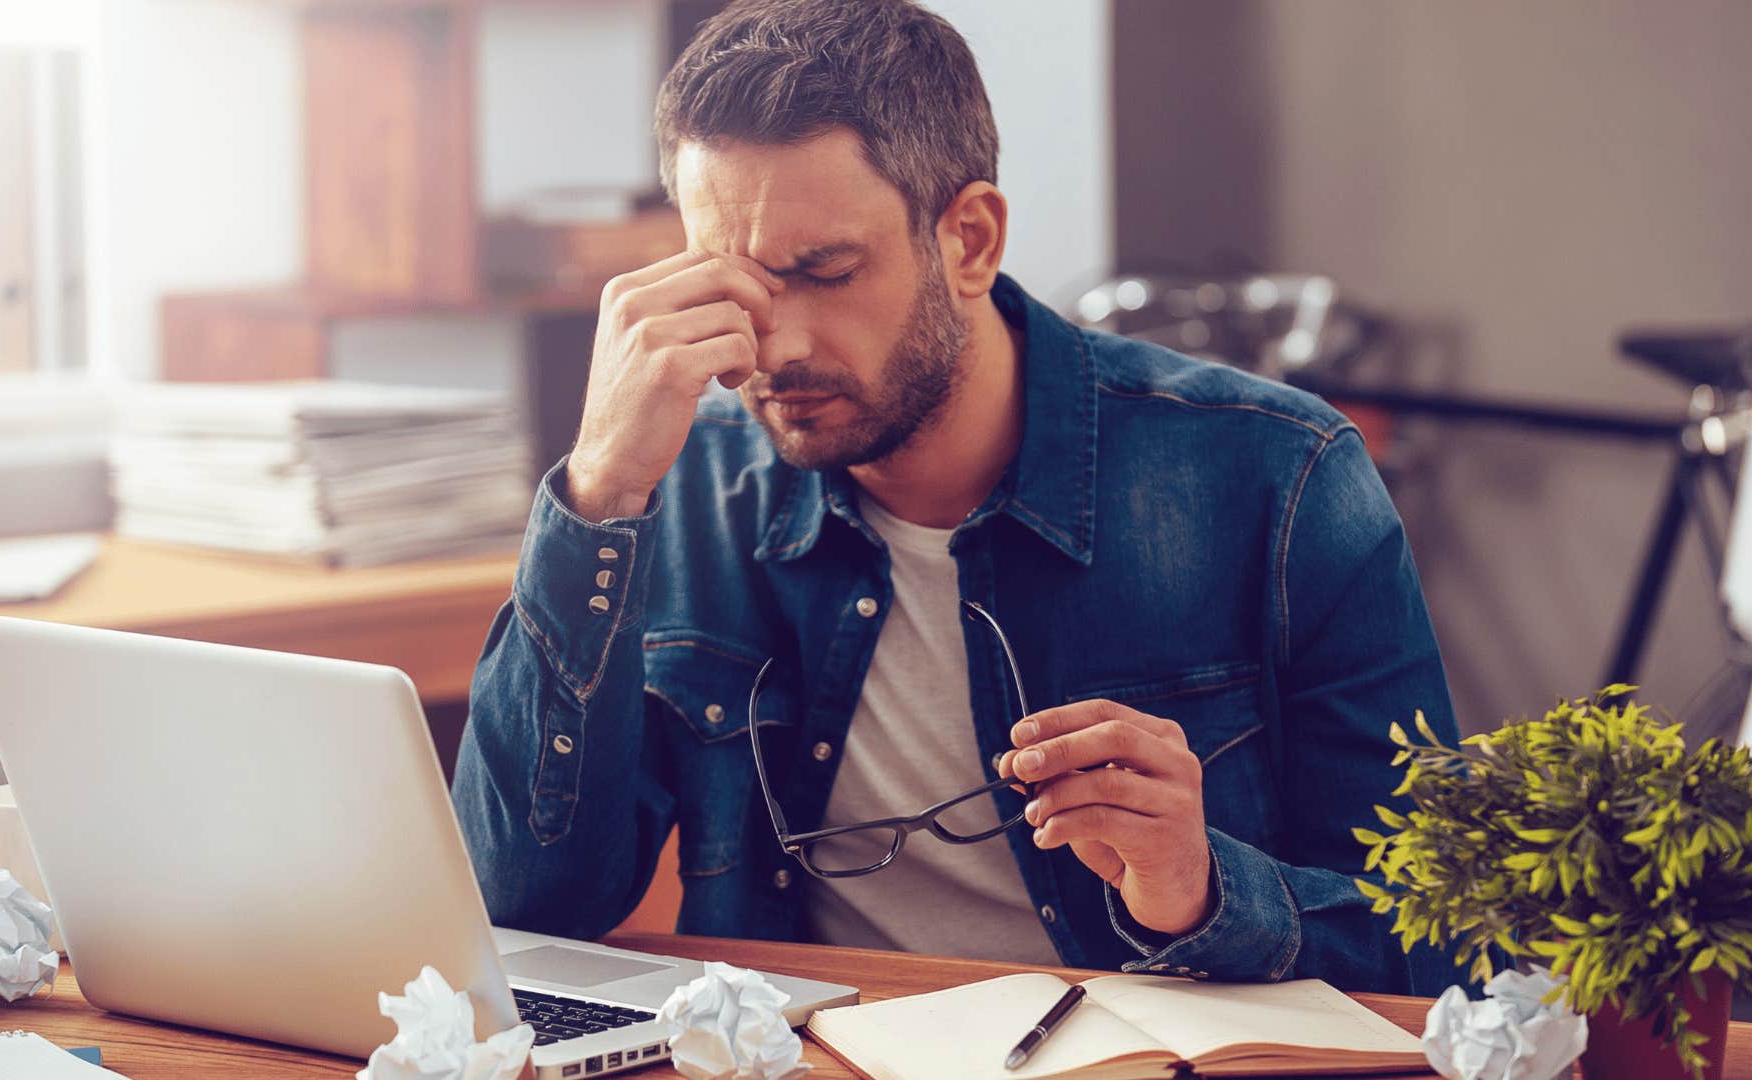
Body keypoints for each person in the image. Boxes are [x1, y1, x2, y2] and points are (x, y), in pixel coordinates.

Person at [452, 0, 1462, 995]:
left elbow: (1446, 947)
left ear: (970, 240)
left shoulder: (1279, 475)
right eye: (738, 284)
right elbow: (525, 908)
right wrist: (599, 490)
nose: (778, 345)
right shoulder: (683, 479)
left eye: (826, 272)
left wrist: (1201, 892)